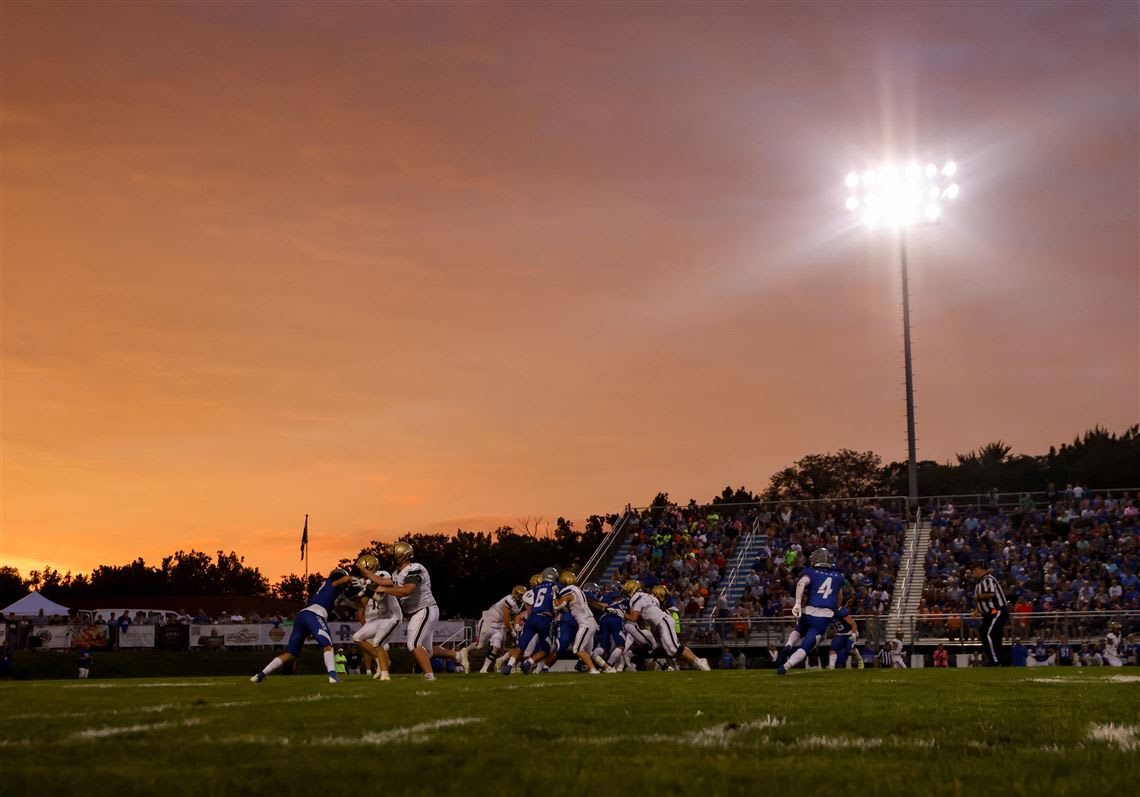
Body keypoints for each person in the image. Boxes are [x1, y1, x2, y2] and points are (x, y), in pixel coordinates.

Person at [361, 542, 464, 681]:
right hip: (420, 611)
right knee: (427, 651)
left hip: (424, 609)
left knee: (413, 644)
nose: (391, 557)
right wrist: (367, 574)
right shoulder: (397, 573)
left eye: (393, 555)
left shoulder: (415, 568)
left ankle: (429, 677)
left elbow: (407, 590)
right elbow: (384, 582)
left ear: (401, 556)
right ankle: (458, 657)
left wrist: (384, 590)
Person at [251, 566, 353, 684]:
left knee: (291, 653)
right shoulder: (333, 583)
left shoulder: (328, 589)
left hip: (301, 616)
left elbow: (348, 602)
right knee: (328, 646)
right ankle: (333, 676)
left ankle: (260, 675)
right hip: (314, 615)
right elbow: (346, 579)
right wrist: (357, 580)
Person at [776, 548, 846, 675]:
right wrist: (835, 610)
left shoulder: (810, 571)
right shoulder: (839, 577)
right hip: (823, 617)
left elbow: (801, 584)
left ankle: (789, 645)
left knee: (798, 630)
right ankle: (785, 667)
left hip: (808, 611)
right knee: (805, 647)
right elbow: (839, 599)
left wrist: (797, 603)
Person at [624, 581, 710, 671]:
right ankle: (681, 664)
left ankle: (699, 661)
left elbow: (633, 618)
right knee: (670, 650)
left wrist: (621, 613)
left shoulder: (637, 598)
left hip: (664, 621)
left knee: (673, 648)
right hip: (662, 623)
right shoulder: (646, 597)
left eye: (626, 591)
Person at [350, 559, 402, 681]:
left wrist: (366, 588)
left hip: (392, 617)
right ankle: (380, 660)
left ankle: (385, 674)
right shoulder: (367, 581)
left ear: (369, 567)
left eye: (363, 568)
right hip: (379, 618)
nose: (361, 571)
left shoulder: (383, 574)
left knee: (378, 642)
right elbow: (363, 603)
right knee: (357, 637)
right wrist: (360, 591)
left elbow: (379, 596)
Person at [501, 568, 559, 675]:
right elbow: (555, 603)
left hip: (532, 619)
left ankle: (508, 666)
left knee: (521, 646)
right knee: (546, 649)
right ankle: (528, 663)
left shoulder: (536, 588)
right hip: (544, 619)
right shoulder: (555, 586)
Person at [552, 571, 611, 674]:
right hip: (590, 622)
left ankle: (593, 670)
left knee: (577, 649)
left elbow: (557, 606)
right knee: (589, 652)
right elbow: (589, 602)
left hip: (585, 623)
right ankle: (609, 668)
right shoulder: (578, 590)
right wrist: (601, 606)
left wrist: (554, 594)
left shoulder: (568, 590)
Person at [473, 586, 526, 673]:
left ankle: (484, 669)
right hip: (489, 621)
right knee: (479, 646)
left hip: (499, 625)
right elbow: (506, 619)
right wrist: (512, 631)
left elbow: (512, 616)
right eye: (520, 595)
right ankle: (464, 651)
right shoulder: (509, 600)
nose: (522, 597)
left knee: (496, 646)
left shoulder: (520, 604)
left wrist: (514, 625)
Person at [972, 564, 1008, 666]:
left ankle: (994, 661)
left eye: (974, 570)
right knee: (994, 636)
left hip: (996, 611)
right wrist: (977, 610)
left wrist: (978, 597)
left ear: (979, 569)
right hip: (989, 613)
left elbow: (991, 593)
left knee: (986, 633)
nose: (973, 573)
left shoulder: (987, 579)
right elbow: (983, 602)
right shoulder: (979, 583)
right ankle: (998, 660)